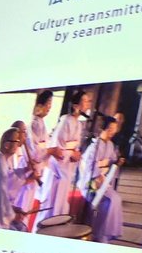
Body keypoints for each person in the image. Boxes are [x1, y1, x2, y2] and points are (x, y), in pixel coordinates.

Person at [46, 89, 92, 218]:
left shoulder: (78, 123)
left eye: (88, 101)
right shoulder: (66, 120)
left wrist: (76, 153)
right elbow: (58, 147)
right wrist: (71, 154)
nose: (87, 103)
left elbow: (74, 146)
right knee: (55, 202)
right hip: (58, 168)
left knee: (62, 202)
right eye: (84, 100)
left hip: (67, 166)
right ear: (76, 105)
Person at [81, 115, 126, 243]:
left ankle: (105, 233)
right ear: (103, 129)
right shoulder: (94, 147)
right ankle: (98, 233)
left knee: (116, 199)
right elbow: (89, 167)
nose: (112, 132)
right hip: (92, 183)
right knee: (108, 201)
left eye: (114, 129)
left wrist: (117, 162)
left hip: (103, 181)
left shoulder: (110, 145)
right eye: (110, 129)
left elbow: (112, 161)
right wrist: (97, 178)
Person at [24, 90, 54, 229]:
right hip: (29, 167)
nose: (49, 107)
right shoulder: (34, 123)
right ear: (40, 105)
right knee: (23, 202)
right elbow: (35, 151)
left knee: (29, 203)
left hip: (38, 167)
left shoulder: (41, 123)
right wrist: (50, 151)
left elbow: (43, 147)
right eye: (48, 103)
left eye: (50, 104)